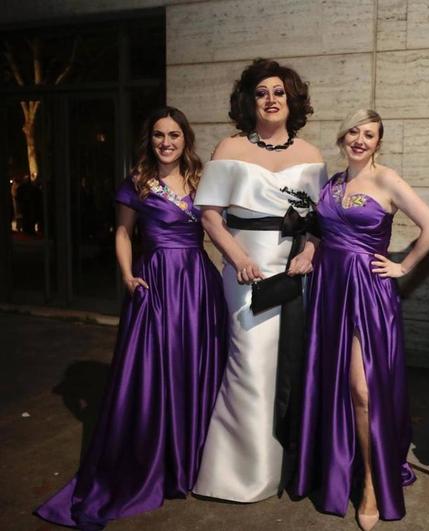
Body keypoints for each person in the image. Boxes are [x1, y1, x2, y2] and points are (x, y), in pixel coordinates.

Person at [35, 106, 228, 529]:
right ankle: (156, 459)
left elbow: (220, 227)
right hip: (156, 281)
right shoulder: (138, 183)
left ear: (185, 139)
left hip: (198, 284)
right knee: (155, 373)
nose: (166, 142)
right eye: (159, 135)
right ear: (150, 140)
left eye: (174, 135)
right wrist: (127, 275)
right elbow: (123, 233)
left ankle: (192, 461)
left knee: (194, 371)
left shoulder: (201, 180)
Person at [294, 109, 429, 530]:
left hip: (367, 294)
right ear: (343, 137)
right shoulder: (333, 184)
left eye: (370, 135)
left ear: (379, 143)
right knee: (333, 384)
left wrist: (403, 266)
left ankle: (372, 486)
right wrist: (309, 249)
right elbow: (319, 231)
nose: (360, 140)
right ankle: (338, 466)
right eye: (354, 132)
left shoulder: (387, 180)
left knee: (362, 389)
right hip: (329, 291)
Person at [191, 58, 326, 503]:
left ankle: (282, 467)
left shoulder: (311, 156)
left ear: (292, 101)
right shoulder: (229, 148)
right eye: (262, 92)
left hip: (293, 272)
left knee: (287, 365)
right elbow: (209, 215)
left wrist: (309, 251)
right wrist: (237, 256)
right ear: (250, 102)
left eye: (279, 93)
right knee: (248, 361)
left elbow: (321, 224)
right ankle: (238, 474)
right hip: (245, 270)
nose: (271, 100)